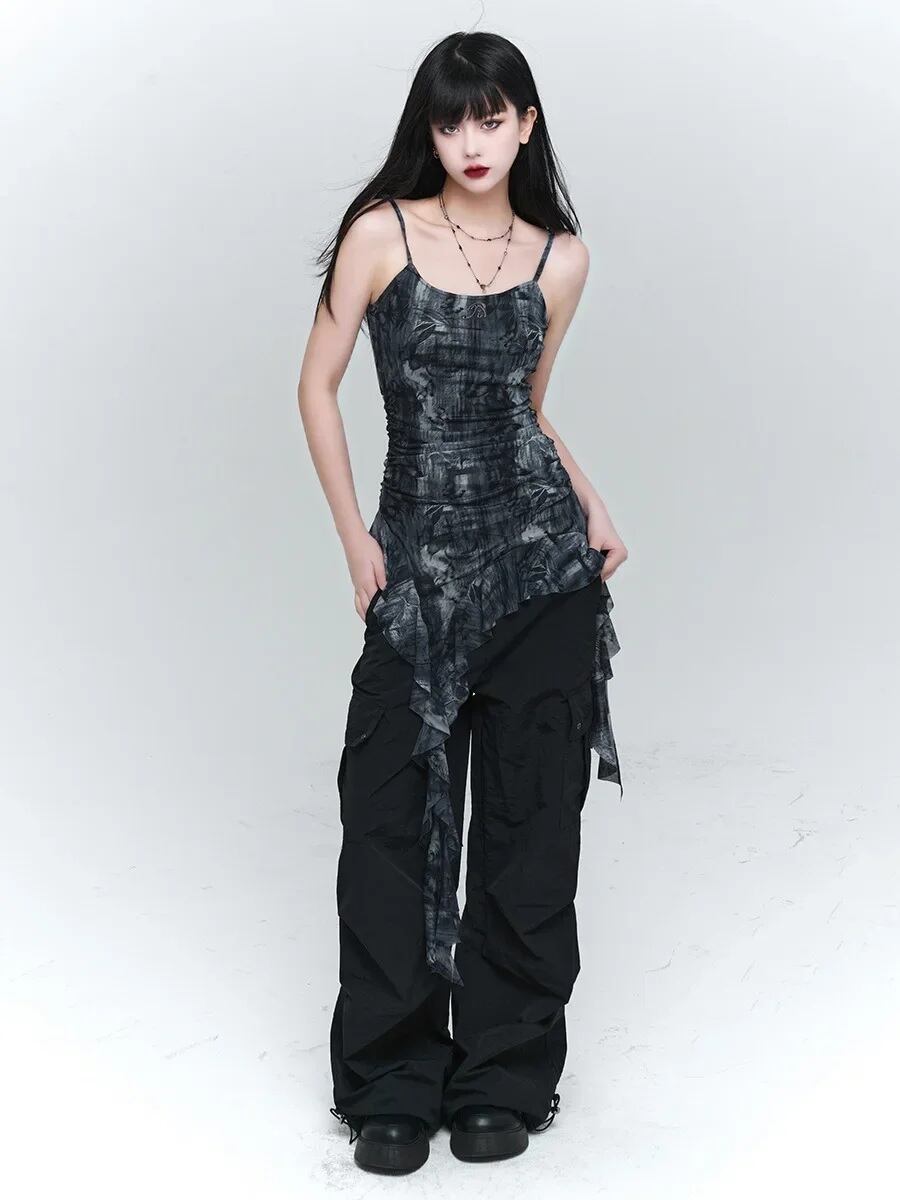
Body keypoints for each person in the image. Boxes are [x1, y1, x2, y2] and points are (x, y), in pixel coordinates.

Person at [297, 29, 628, 1175]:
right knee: (389, 826)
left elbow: (523, 411)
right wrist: (355, 540)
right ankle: (391, 1079)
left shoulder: (561, 259)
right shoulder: (379, 234)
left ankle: (505, 1074)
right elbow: (317, 387)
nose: (472, 142)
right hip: (419, 577)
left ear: (527, 124)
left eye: (492, 118)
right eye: (451, 121)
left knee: (530, 833)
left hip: (541, 577)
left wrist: (591, 505)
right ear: (429, 131)